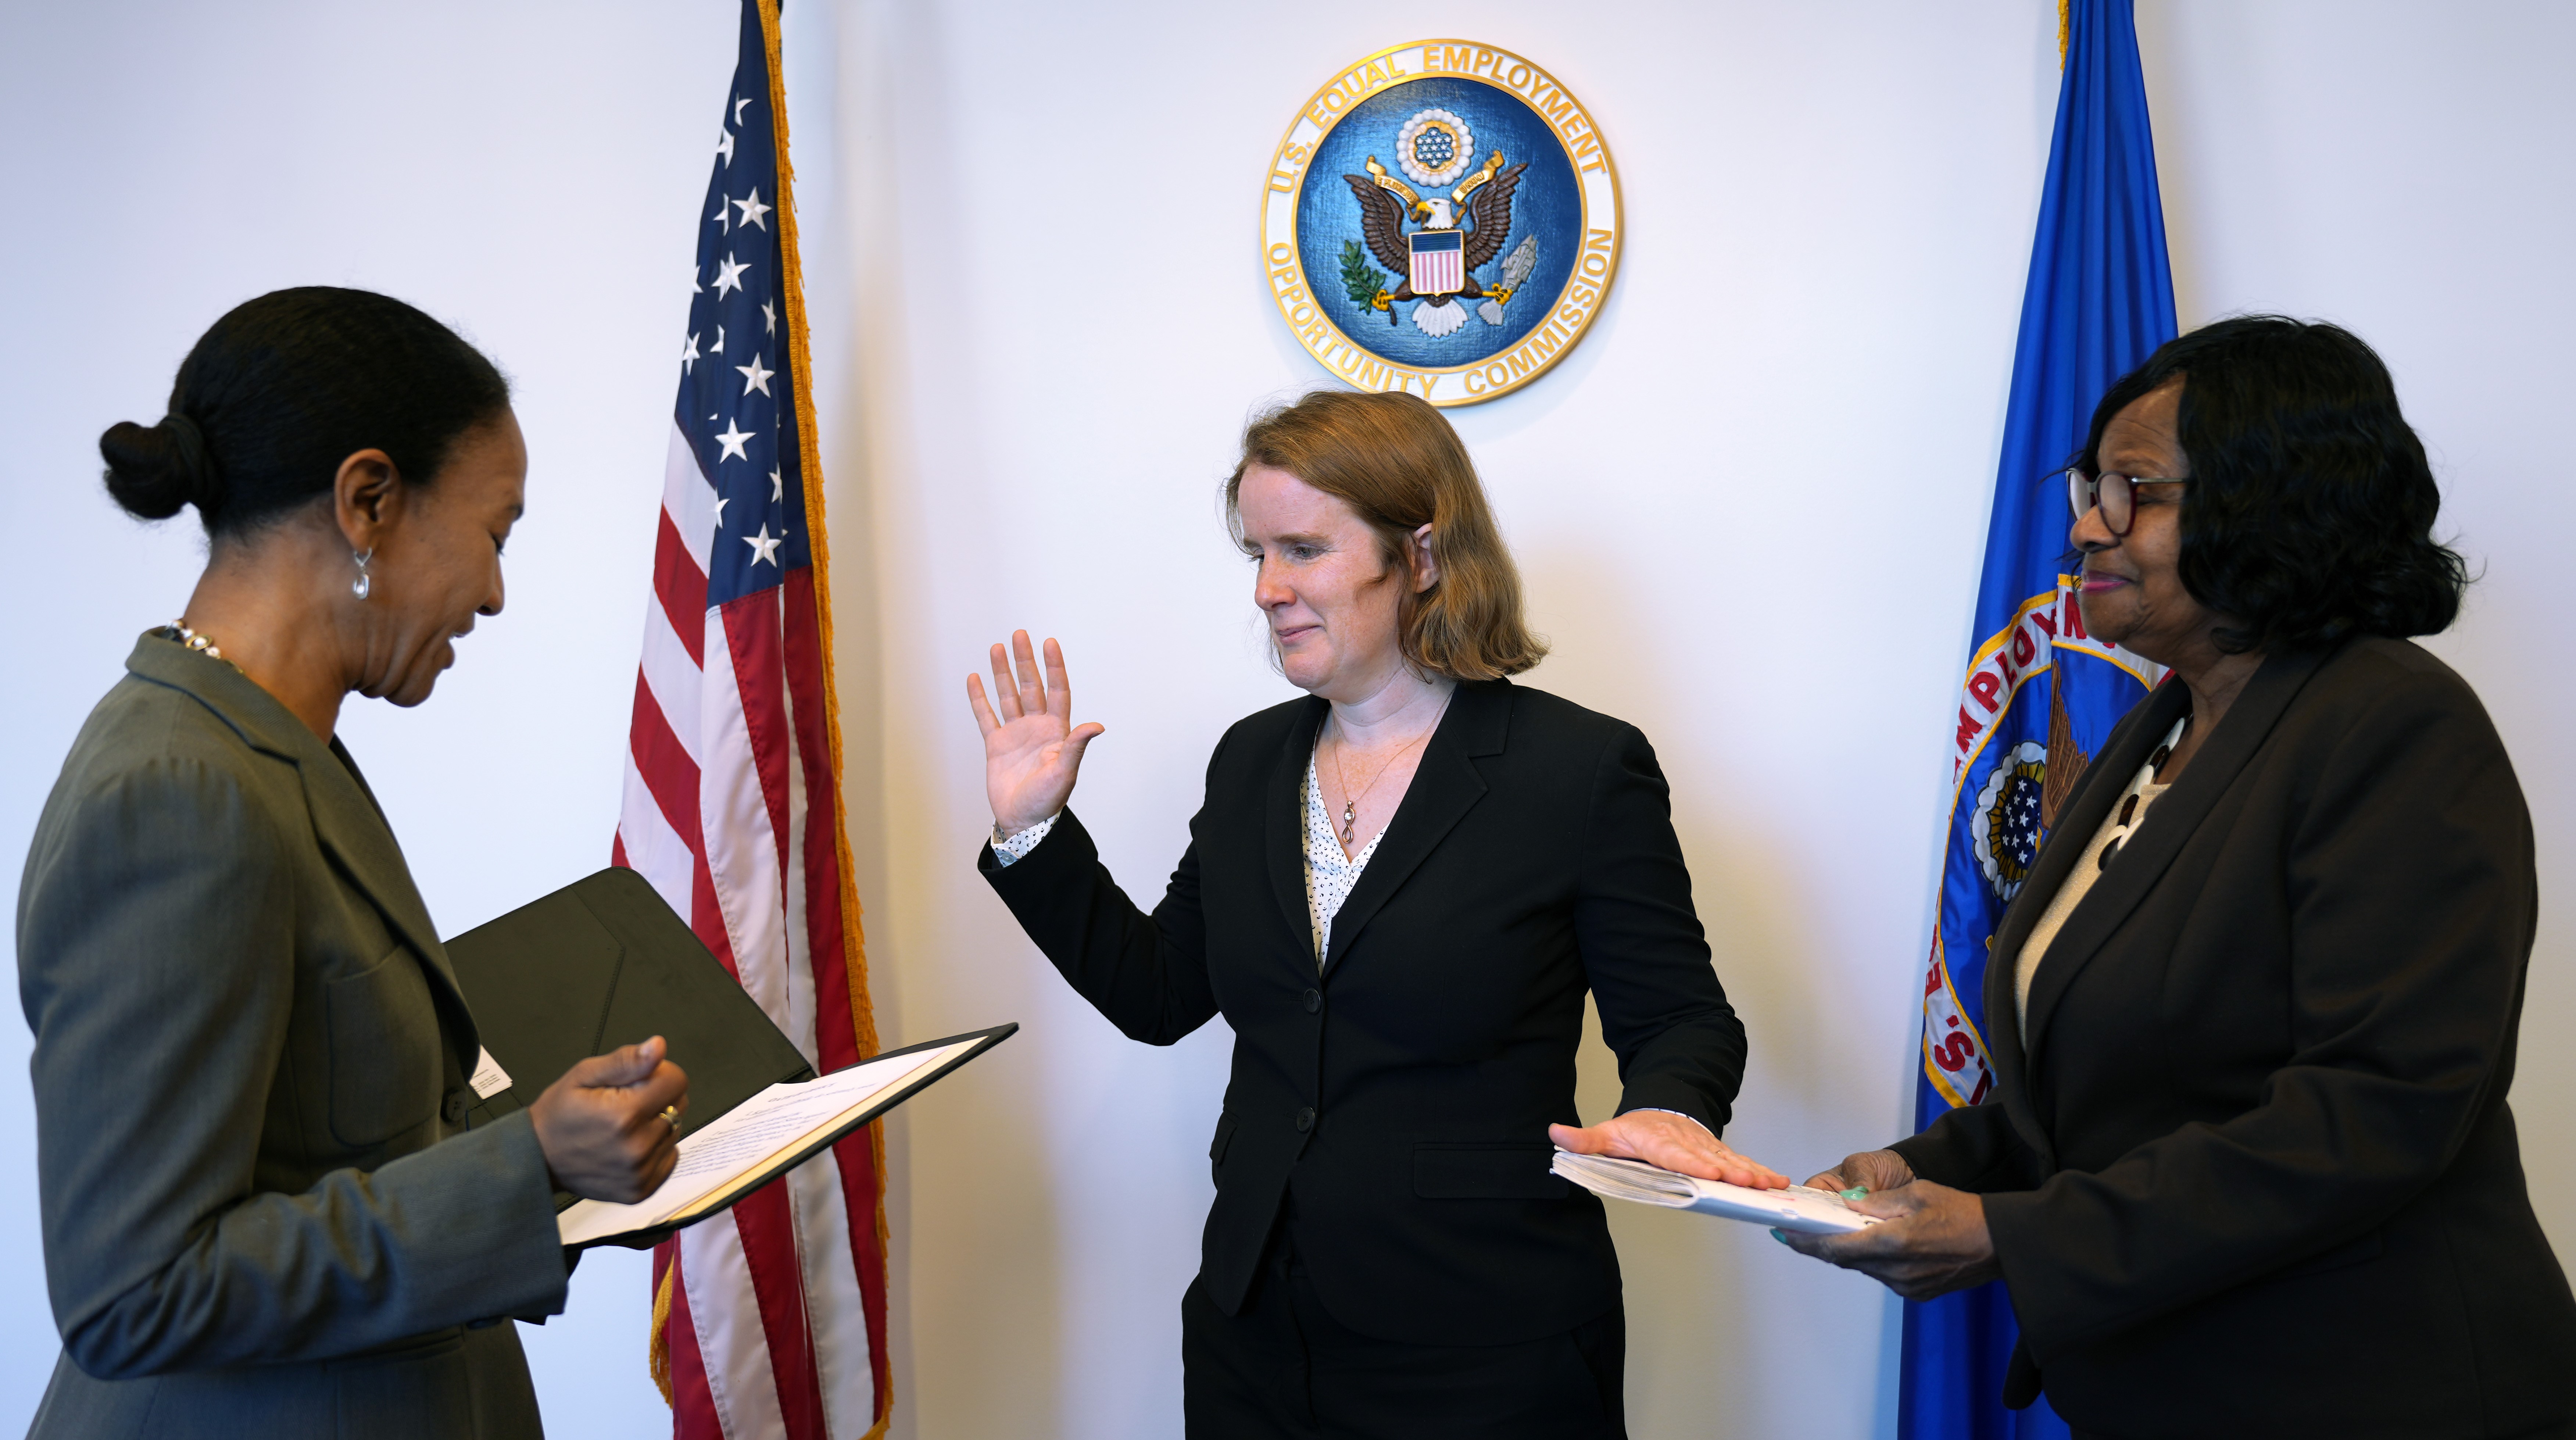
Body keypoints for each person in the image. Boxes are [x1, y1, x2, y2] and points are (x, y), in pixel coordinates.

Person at [1783, 317, 2576, 1438]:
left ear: (2272, 496)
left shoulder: (2393, 724)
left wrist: (2013, 1236)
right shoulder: (2164, 727)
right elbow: (2119, 1079)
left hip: (2373, 1390)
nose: (2083, 530)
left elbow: (2375, 1112)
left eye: (2131, 490)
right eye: (2088, 488)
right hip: (2174, 1386)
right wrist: (1913, 1174)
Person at [966, 388, 1783, 1439]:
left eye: (1302, 549)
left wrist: (1673, 1108)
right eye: (1256, 554)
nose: (1268, 590)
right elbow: (1163, 993)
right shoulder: (1251, 760)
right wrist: (1034, 834)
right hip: (1253, 1338)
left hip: (1486, 1348)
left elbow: (1681, 1018)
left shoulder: (1578, 772)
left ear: (1424, 555)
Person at [18, 287, 693, 1440]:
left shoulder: (276, 747)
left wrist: (559, 1145)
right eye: (495, 532)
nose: (492, 592)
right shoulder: (179, 794)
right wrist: (525, 1166)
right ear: (368, 501)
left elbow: (330, 1146)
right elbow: (136, 1294)